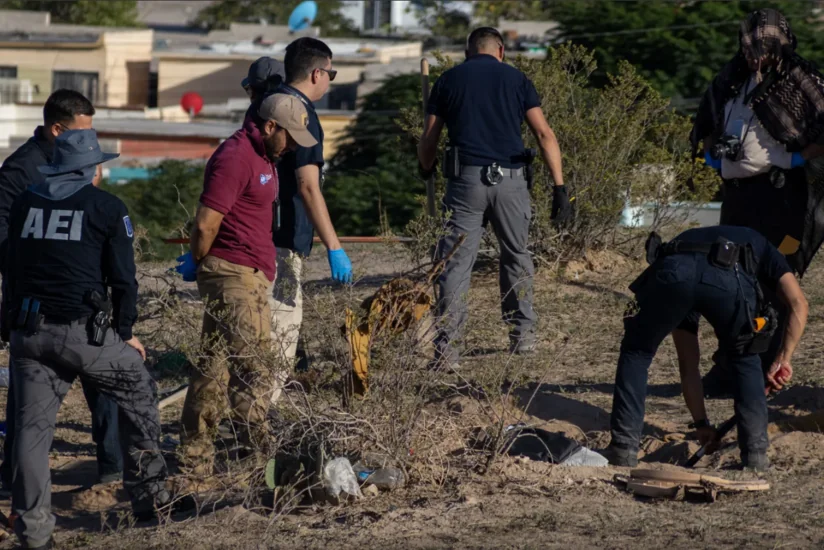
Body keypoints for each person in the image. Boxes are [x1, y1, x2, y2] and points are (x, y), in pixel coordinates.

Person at [5, 129, 172, 549]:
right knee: (138, 389)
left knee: (30, 432)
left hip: (28, 333)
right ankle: (150, 498)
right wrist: (127, 334)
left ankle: (34, 531)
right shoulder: (106, 207)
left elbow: (11, 266)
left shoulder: (26, 203)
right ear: (92, 170)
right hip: (85, 335)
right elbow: (123, 282)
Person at [417, 27, 571, 367]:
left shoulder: (449, 80)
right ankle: (523, 337)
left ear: (468, 51)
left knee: (455, 264)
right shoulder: (517, 80)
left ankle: (448, 351)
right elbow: (544, 133)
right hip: (512, 182)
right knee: (517, 255)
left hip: (466, 182)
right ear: (500, 50)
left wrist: (426, 168)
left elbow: (429, 139)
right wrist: (560, 188)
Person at [179, 93, 317, 473]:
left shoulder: (266, 158)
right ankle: (259, 463)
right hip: (233, 274)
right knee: (254, 367)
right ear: (269, 126)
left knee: (213, 369)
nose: (291, 147)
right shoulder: (236, 157)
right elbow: (206, 222)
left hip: (250, 274)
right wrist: (199, 261)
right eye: (289, 137)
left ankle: (195, 459)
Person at [690, 9, 824, 394]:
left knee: (771, 283)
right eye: (748, 47)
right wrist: (714, 153)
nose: (753, 55)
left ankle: (763, 365)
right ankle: (731, 363)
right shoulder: (732, 80)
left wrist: (796, 157)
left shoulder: (801, 81)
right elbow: (708, 125)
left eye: (761, 48)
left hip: (780, 197)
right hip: (737, 198)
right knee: (731, 279)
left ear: (779, 43)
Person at [605, 226, 808, 471]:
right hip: (725, 279)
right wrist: (783, 359)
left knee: (636, 353)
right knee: (744, 357)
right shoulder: (765, 247)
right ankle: (755, 456)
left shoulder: (689, 239)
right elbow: (798, 303)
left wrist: (701, 422)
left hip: (672, 274)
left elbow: (688, 365)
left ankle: (623, 449)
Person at [0, 90, 123, 491]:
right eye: (80, 133)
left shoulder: (77, 169)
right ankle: (14, 483)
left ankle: (112, 471)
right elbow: (6, 240)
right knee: (28, 402)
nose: (88, 143)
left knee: (103, 385)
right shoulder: (21, 172)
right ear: (57, 130)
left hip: (85, 300)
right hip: (36, 305)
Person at [268, 37, 353, 377]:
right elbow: (308, 186)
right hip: (283, 237)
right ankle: (264, 410)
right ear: (317, 73)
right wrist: (335, 247)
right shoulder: (300, 115)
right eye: (331, 74)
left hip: (259, 231)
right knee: (283, 325)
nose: (330, 81)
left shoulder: (268, 104)